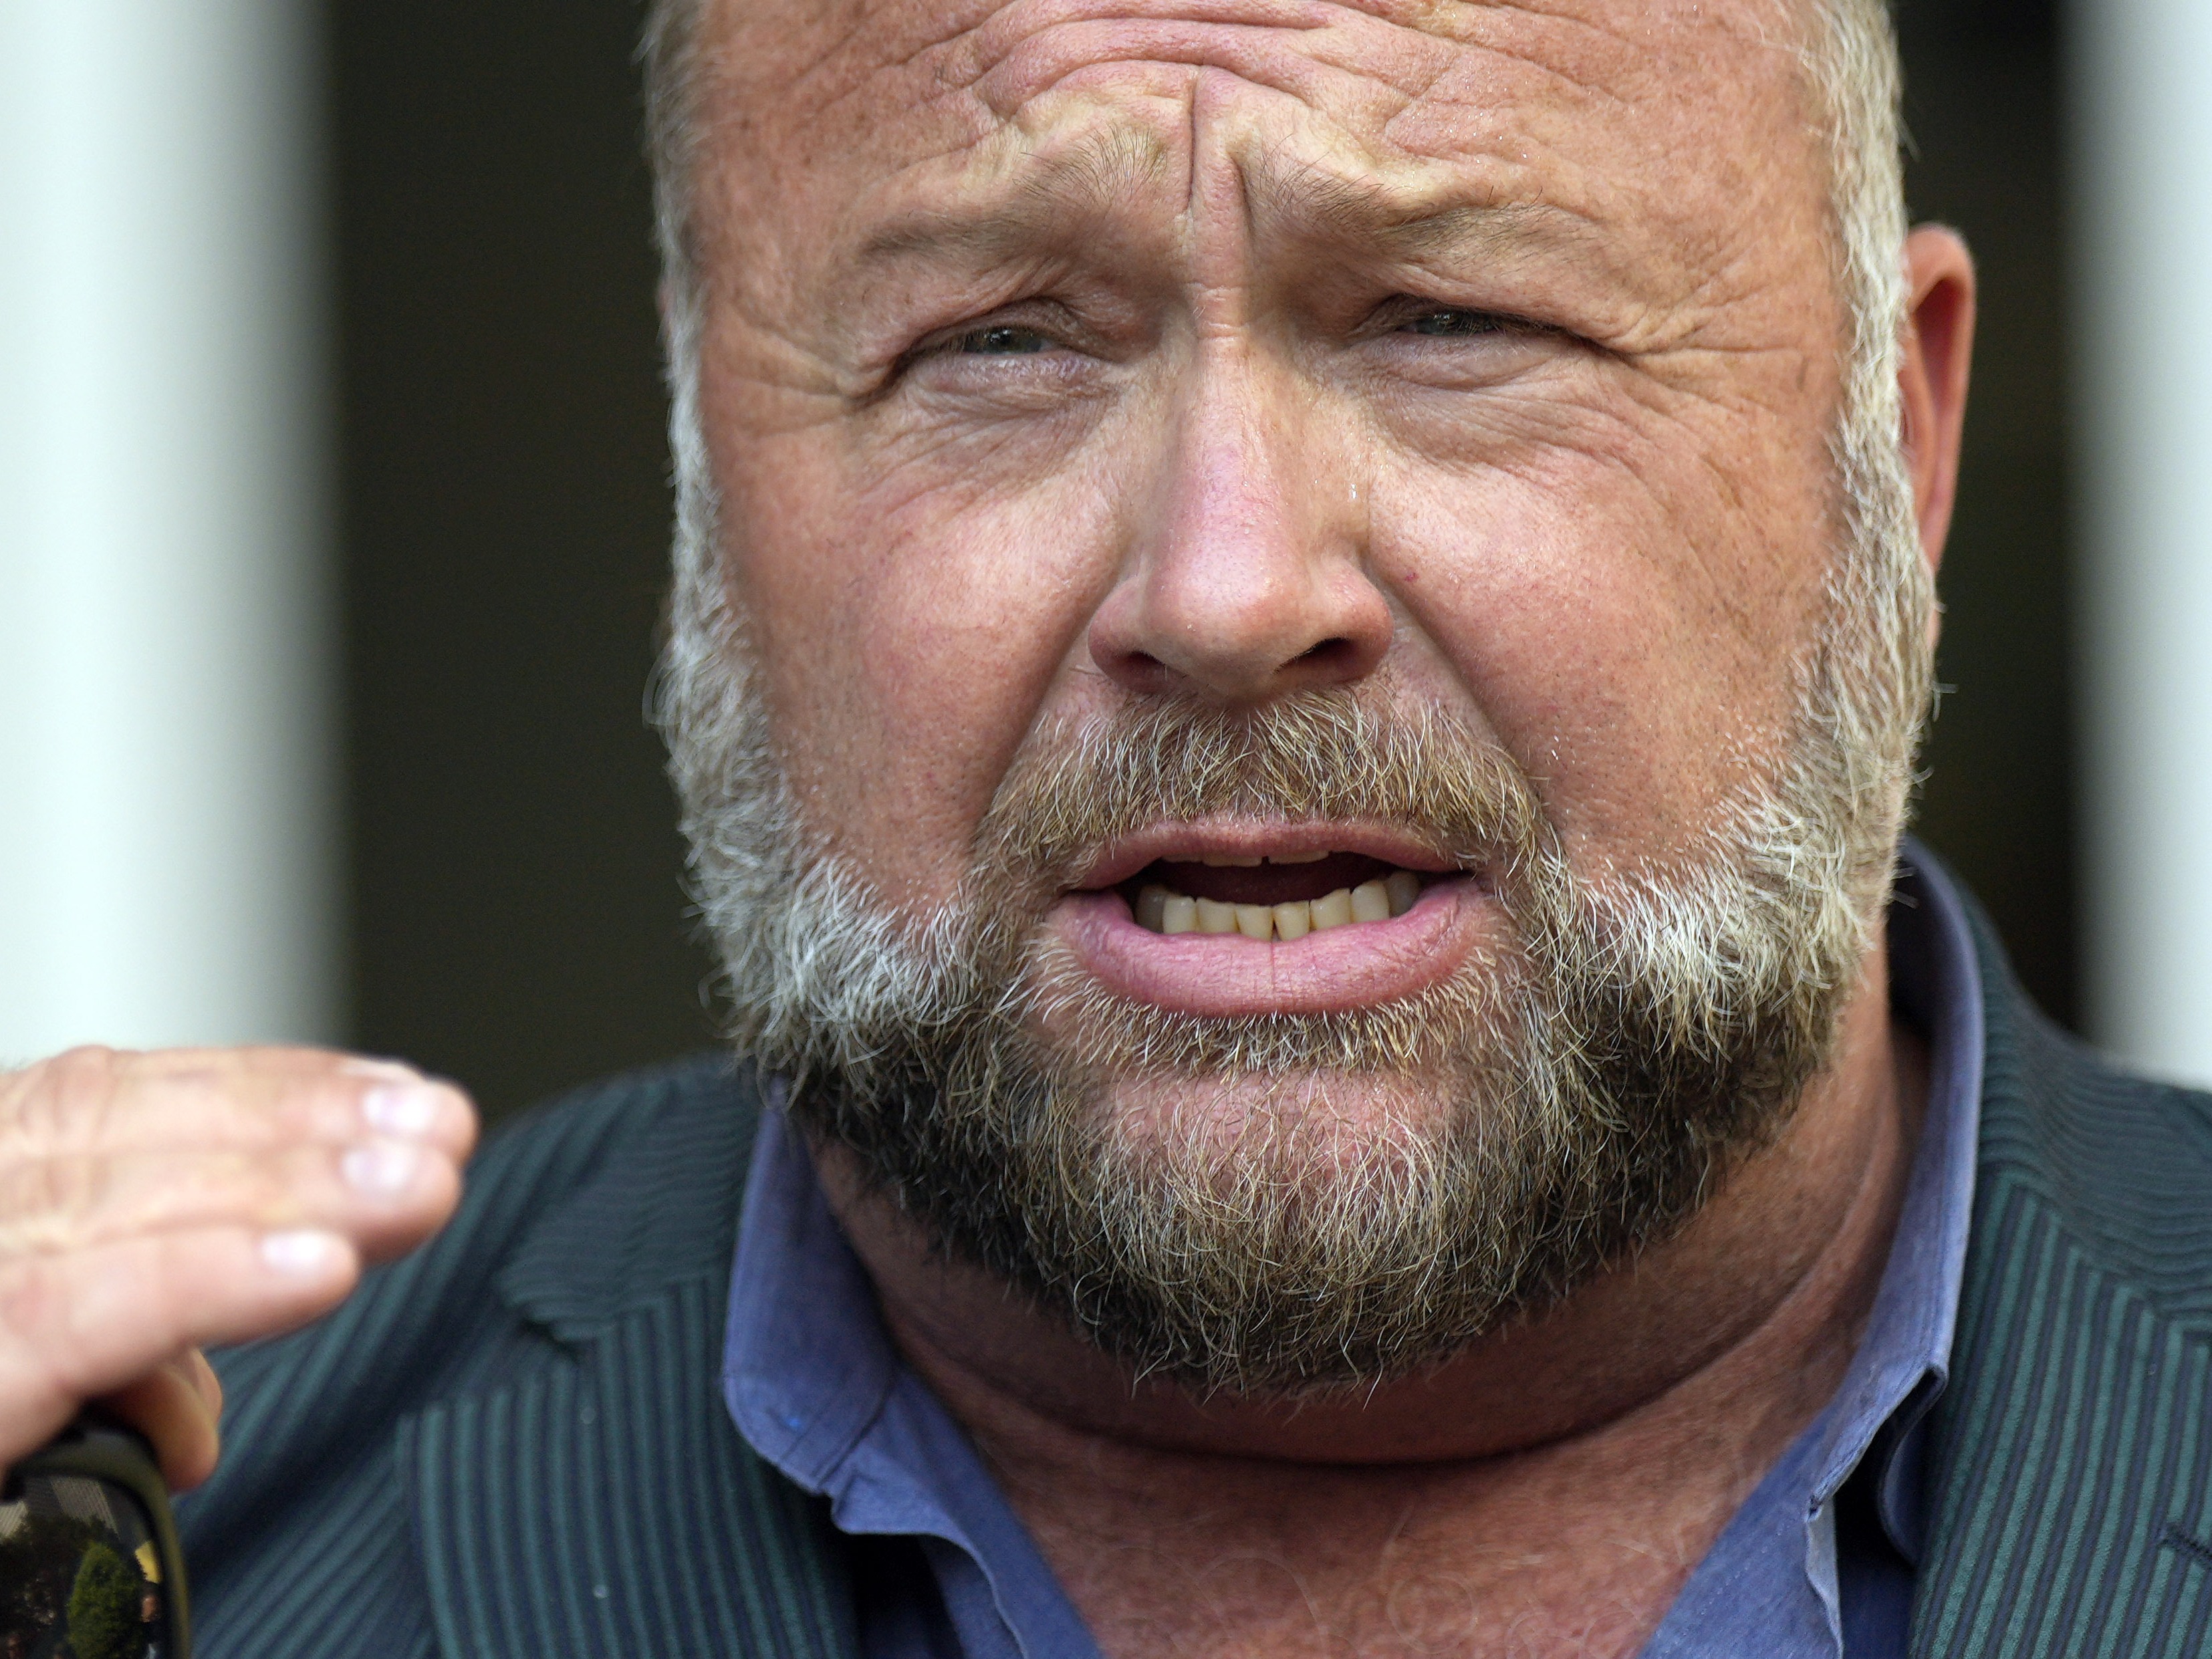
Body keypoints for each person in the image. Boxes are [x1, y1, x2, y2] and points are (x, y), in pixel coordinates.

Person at [1, 0, 2204, 1653]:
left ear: (1895, 448)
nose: (1228, 590)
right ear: (703, 494)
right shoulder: (148, 1532)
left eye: (1451, 320)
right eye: (1002, 347)